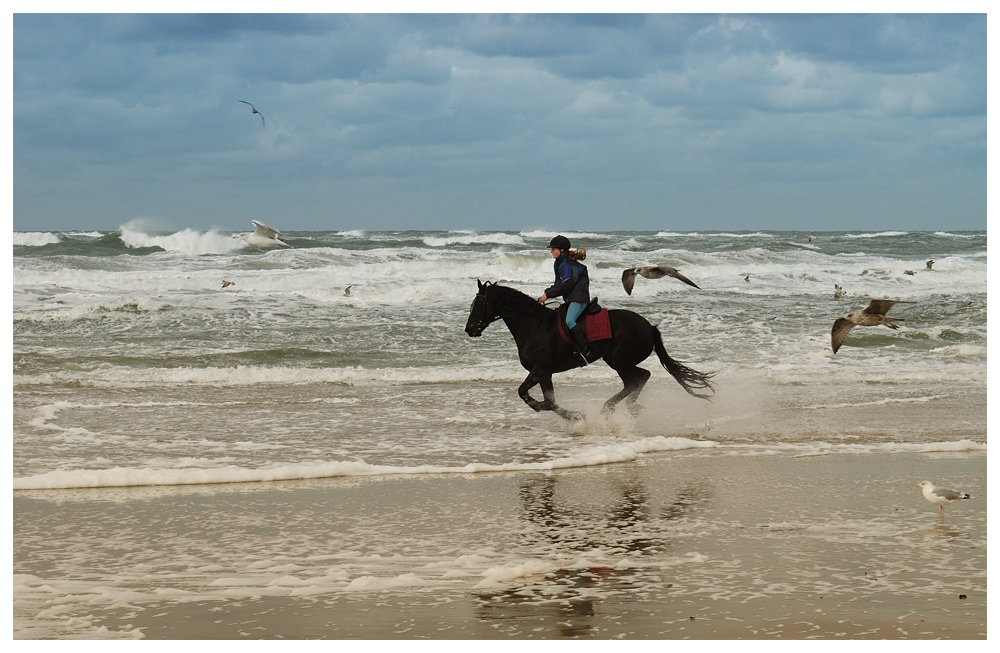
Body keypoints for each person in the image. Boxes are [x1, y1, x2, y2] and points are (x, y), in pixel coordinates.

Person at [538, 235, 594, 366]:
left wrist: (549, 294)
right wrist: (547, 292)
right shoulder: (560, 262)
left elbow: (565, 285)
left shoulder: (567, 264)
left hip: (579, 299)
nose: (551, 251)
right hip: (572, 298)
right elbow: (559, 283)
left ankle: (586, 353)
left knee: (569, 321)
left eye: (553, 249)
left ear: (562, 250)